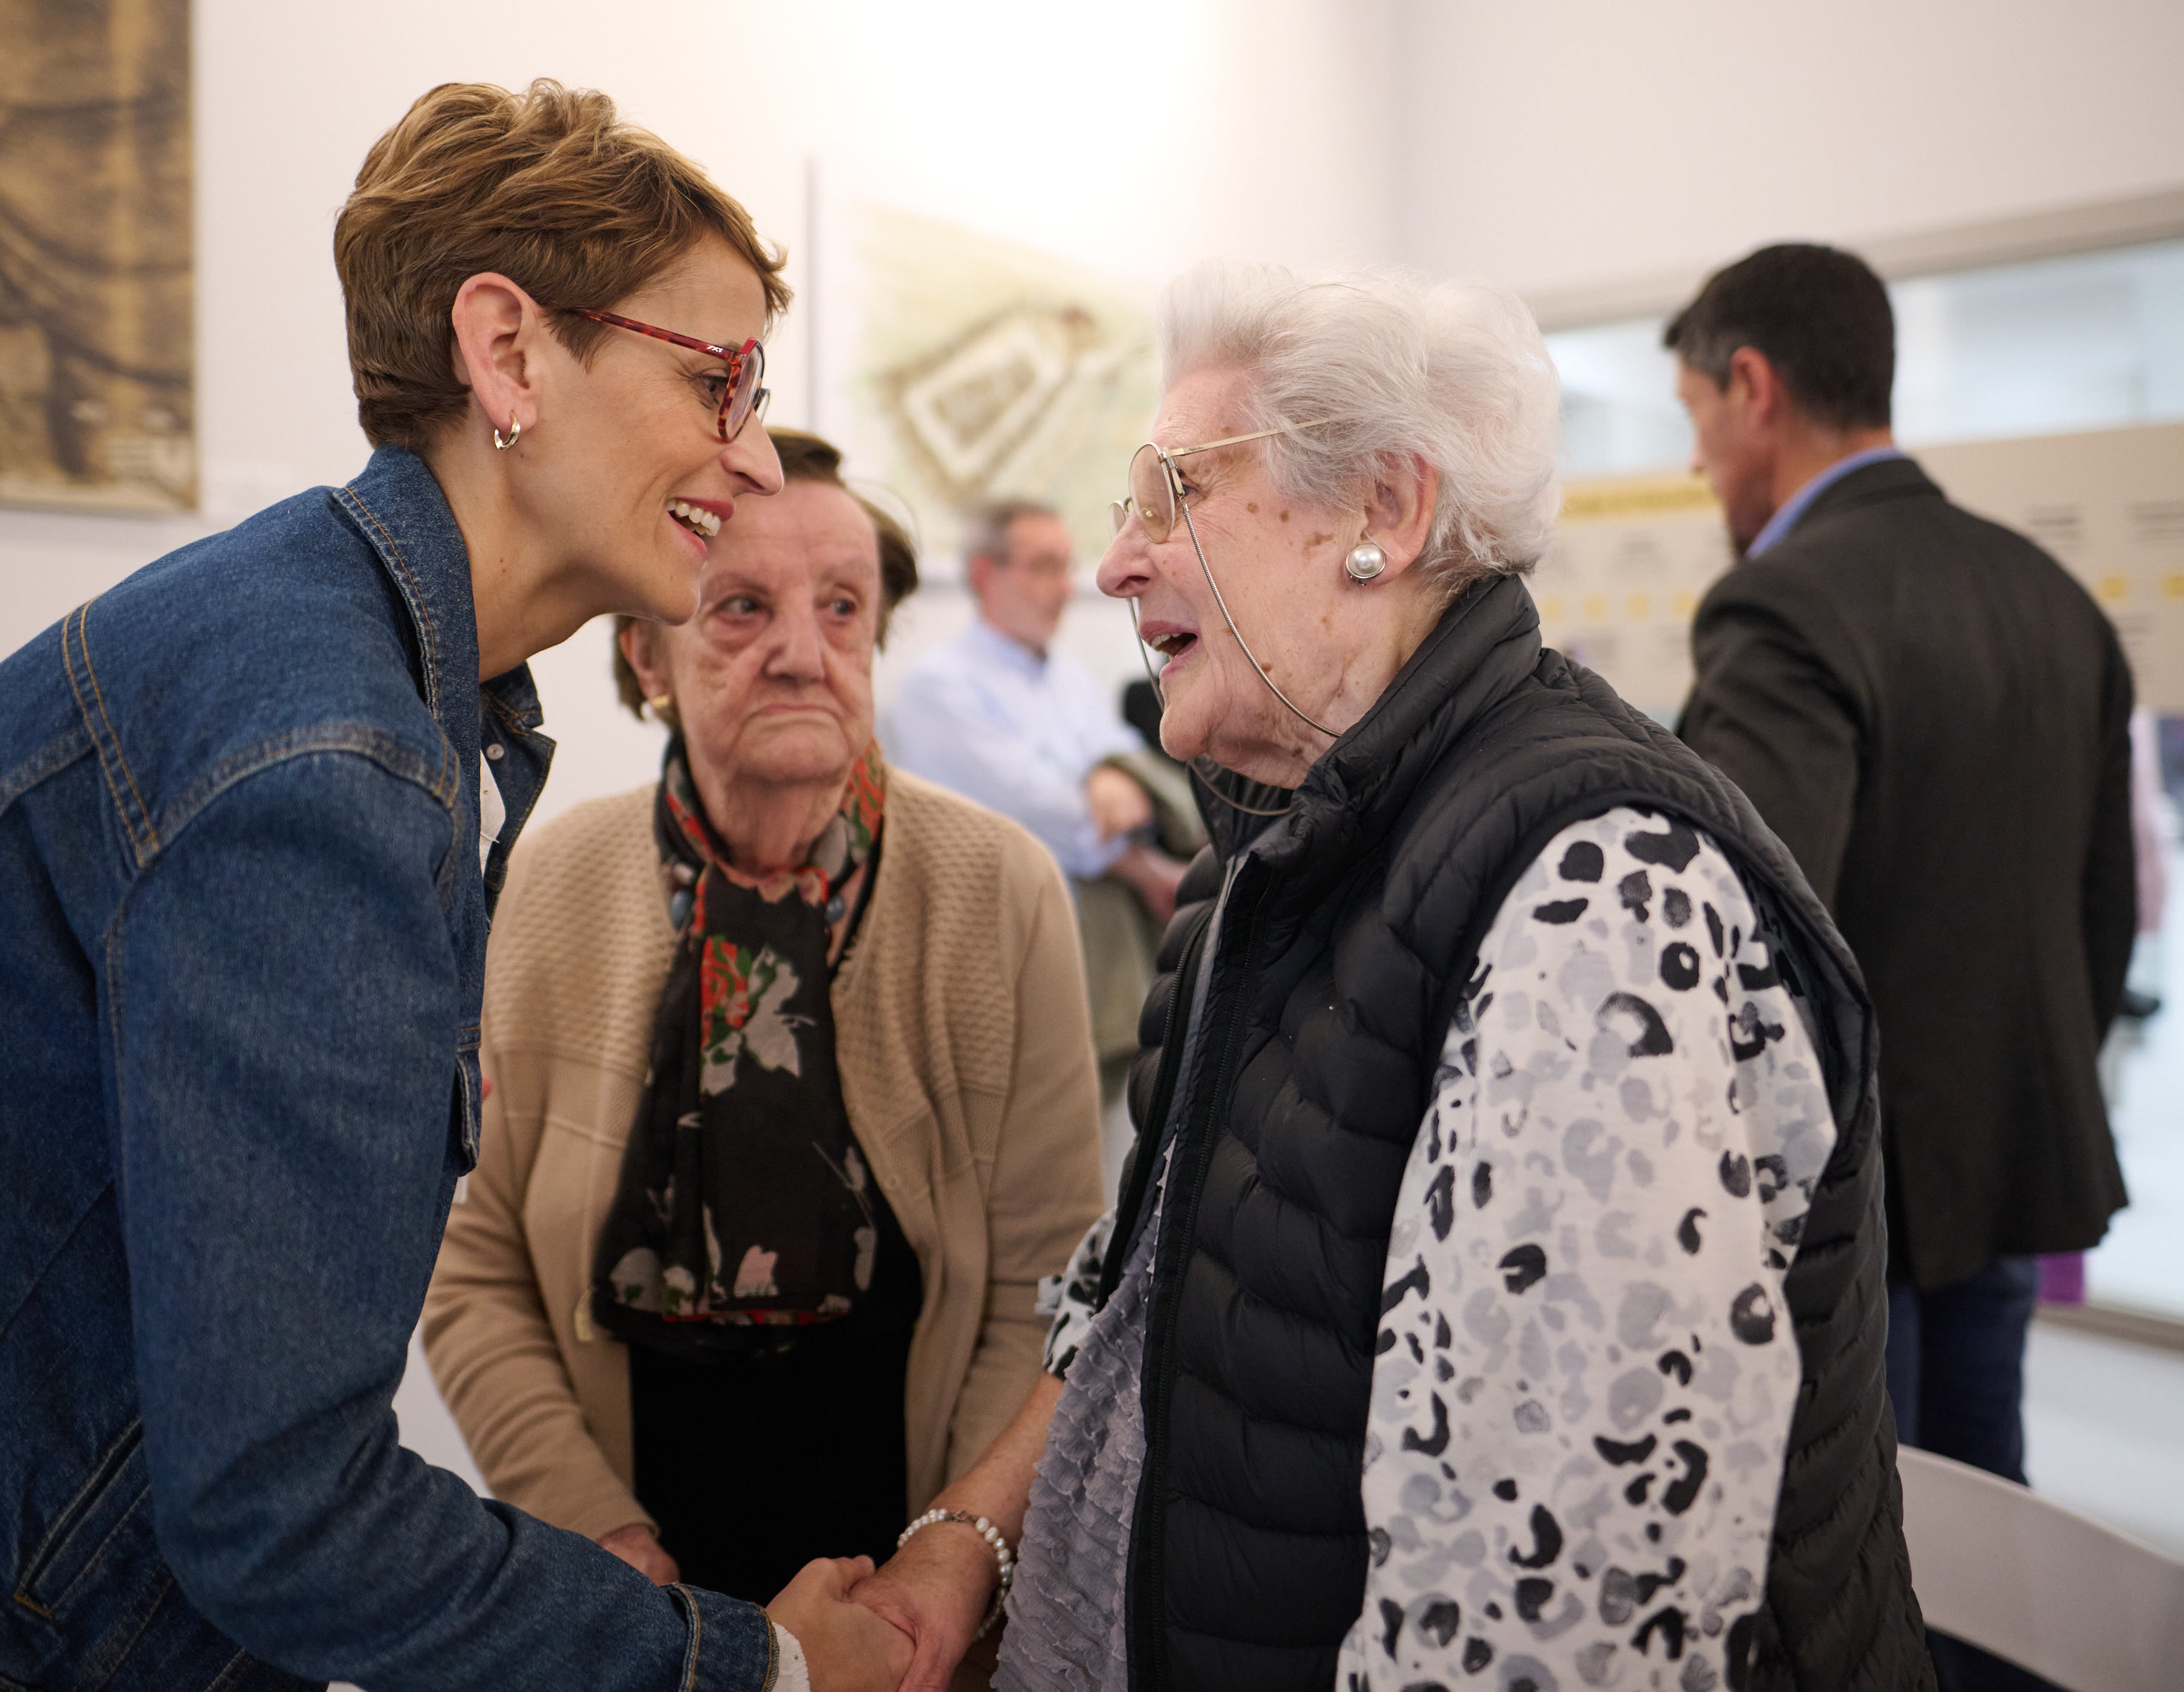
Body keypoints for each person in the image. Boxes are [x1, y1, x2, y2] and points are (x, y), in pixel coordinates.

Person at [0, 81, 907, 1692]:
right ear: (507, 352)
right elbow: (283, 1513)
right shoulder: (323, 756)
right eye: (716, 379)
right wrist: (765, 1666)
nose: (752, 455)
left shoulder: (334, 655)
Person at [843, 264, 1935, 1692]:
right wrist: (969, 1537)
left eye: (1174, 493)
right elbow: (1151, 1293)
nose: (1116, 563)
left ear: (1383, 510)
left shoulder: (1593, 893)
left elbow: (1551, 1623)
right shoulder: (1267, 848)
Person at [419, 428, 1105, 1620]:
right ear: (644, 654)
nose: (802, 652)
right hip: (635, 1583)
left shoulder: (999, 887)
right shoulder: (547, 880)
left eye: (842, 608)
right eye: (741, 607)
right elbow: (472, 1263)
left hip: (912, 1577)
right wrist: (592, 1529)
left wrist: (942, 1568)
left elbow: (1042, 1288)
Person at [1668, 241, 2132, 1692]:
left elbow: (1742, 941)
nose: (1695, 462)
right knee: (1990, 1560)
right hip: (2004, 1172)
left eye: (1692, 414)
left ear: (1752, 386)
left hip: (1852, 1214)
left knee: (1853, 1594)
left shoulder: (1780, 605)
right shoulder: (2048, 591)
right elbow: (2100, 909)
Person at [883, 503, 1191, 1117]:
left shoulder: (1068, 678)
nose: (1064, 587)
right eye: (1043, 566)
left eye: (1065, 566)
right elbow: (1048, 813)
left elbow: (1129, 770)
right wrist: (1142, 864)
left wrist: (1107, 772)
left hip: (1090, 955)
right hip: (993, 967)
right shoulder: (937, 689)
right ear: (983, 575)